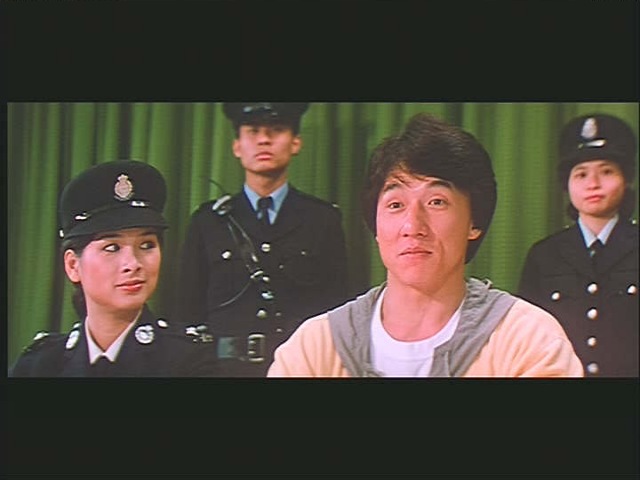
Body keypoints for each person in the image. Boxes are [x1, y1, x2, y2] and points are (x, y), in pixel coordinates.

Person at [268, 113, 583, 377]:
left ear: (474, 222)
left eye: (436, 201)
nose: (412, 226)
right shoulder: (315, 347)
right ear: (375, 227)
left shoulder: (526, 338)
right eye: (395, 205)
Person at [174, 103, 349, 377]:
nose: (264, 140)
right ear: (237, 146)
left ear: (295, 142)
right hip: (221, 370)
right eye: (253, 131)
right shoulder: (208, 222)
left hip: (299, 368)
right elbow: (186, 312)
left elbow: (338, 310)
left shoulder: (322, 220)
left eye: (276, 130)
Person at [9, 160, 219, 377]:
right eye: (112, 248)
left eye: (146, 245)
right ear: (73, 265)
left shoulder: (190, 361)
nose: (133, 264)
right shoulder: (38, 366)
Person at [518, 113, 638, 377]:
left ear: (626, 179)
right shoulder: (544, 255)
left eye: (606, 171)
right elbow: (527, 337)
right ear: (567, 184)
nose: (593, 184)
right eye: (581, 174)